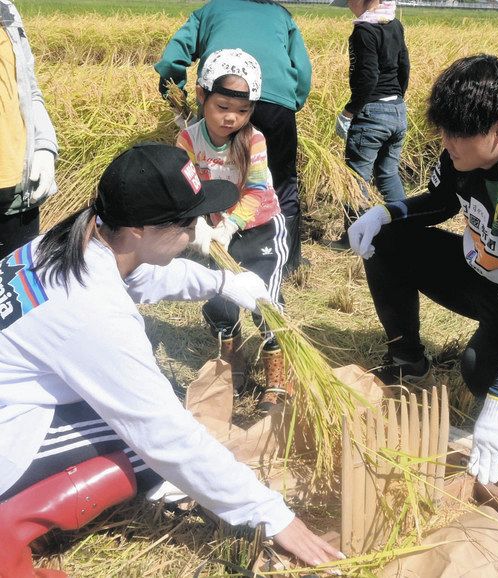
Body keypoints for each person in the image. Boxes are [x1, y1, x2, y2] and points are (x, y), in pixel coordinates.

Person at [0, 143, 343, 574]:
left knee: (156, 418)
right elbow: (165, 435)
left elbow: (142, 275)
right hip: (8, 433)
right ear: (140, 229)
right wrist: (273, 515)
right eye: (186, 221)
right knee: (148, 450)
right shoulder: (92, 311)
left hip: (16, 394)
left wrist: (222, 281)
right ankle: (11, 520)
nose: (196, 229)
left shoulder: (81, 236)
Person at [348, 55, 498, 485]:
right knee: (386, 242)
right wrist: (388, 214)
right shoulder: (462, 156)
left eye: (456, 133)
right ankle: (407, 358)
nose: (446, 142)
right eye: (442, 130)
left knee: (481, 373)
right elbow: (443, 202)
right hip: (484, 271)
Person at [154, 0, 312, 276]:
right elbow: (303, 70)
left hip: (219, 94)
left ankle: (218, 246)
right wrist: (290, 103)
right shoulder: (280, 14)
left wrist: (174, 89)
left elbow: (171, 59)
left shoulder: (211, 9)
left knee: (215, 174)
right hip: (277, 104)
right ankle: (286, 259)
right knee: (282, 182)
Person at [177, 48, 290, 413]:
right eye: (222, 106)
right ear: (201, 96)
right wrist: (198, 225)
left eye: (242, 111)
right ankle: (233, 361)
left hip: (258, 229)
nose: (231, 118)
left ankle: (278, 379)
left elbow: (257, 191)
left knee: (263, 301)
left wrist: (229, 223)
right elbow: (185, 188)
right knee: (220, 300)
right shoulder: (189, 140)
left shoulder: (253, 141)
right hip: (214, 235)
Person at [329, 0, 410, 250]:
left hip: (371, 113)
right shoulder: (395, 24)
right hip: (397, 110)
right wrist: (396, 99)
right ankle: (405, 228)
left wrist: (349, 111)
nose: (347, 6)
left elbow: (368, 76)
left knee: (357, 179)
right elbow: (404, 66)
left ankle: (356, 237)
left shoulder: (364, 30)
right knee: (388, 174)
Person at [0, 0, 58, 260]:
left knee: (15, 293)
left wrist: (45, 146)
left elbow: (29, 89)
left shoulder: (7, 12)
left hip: (17, 194)